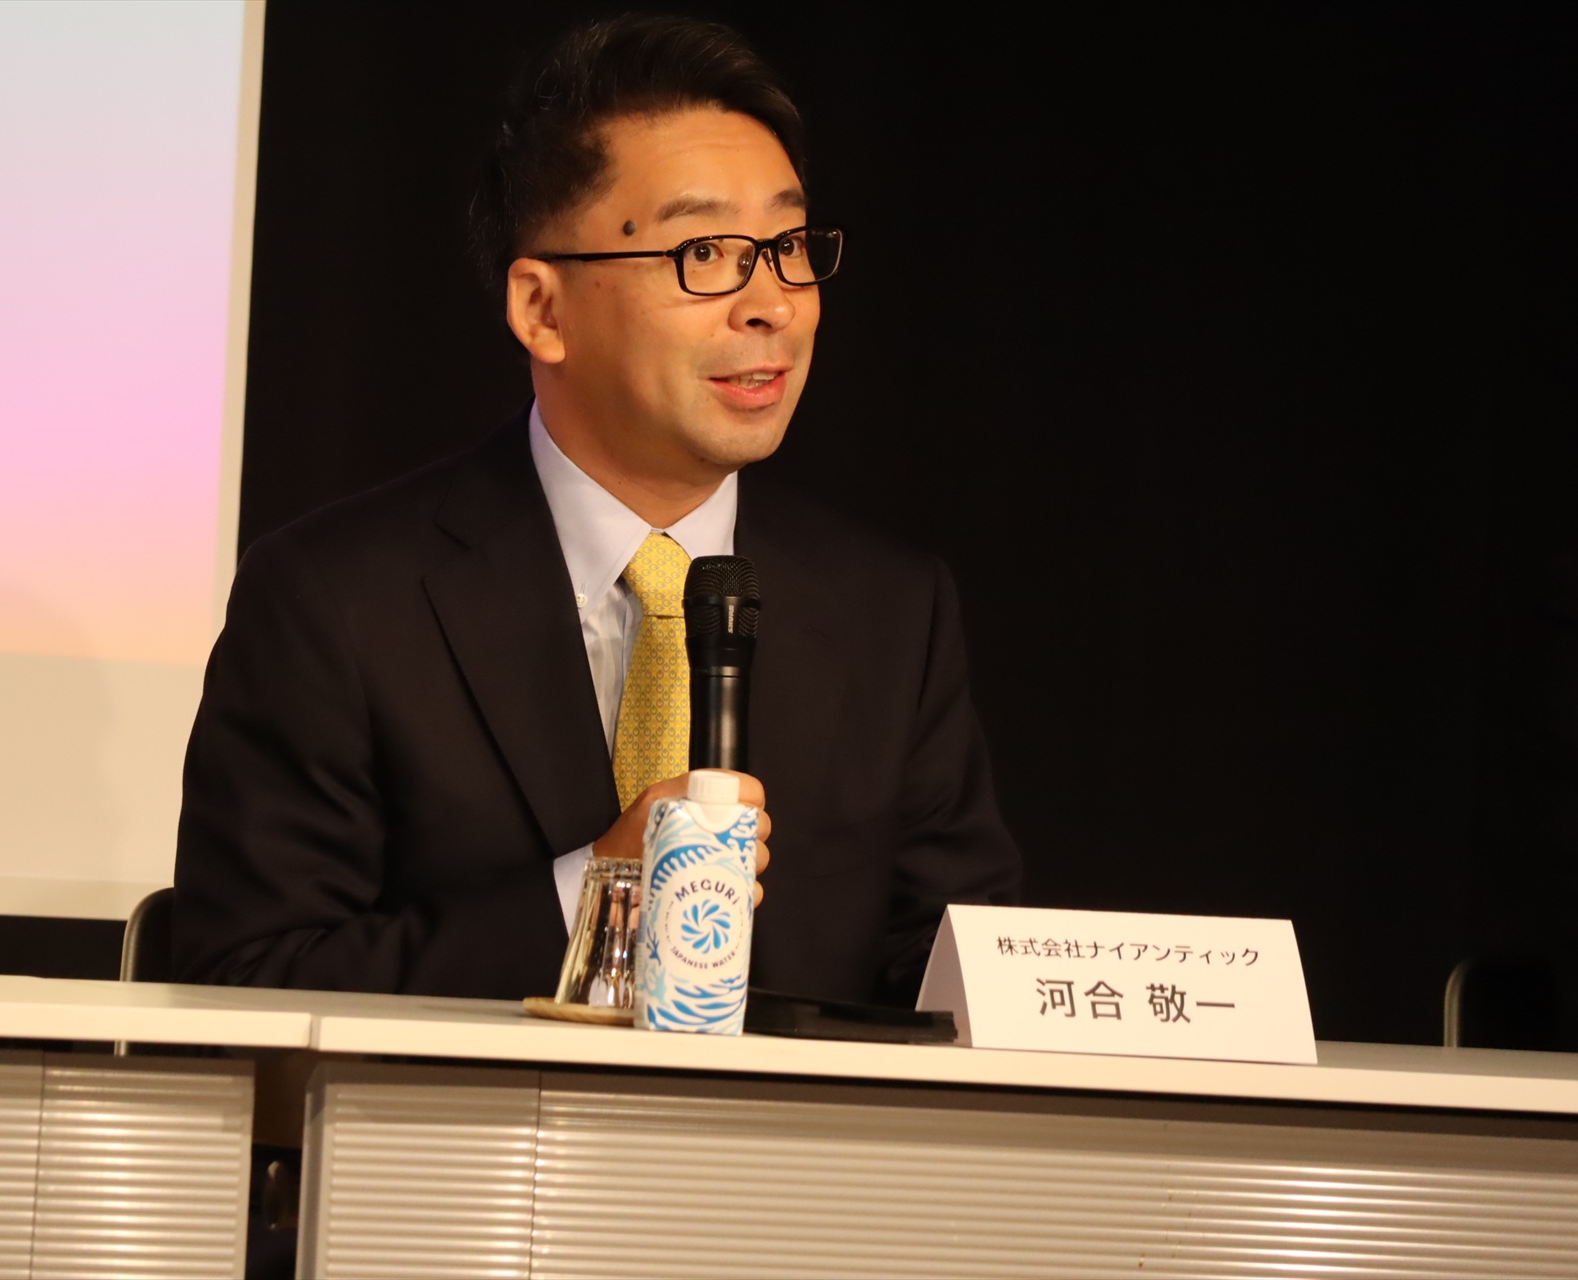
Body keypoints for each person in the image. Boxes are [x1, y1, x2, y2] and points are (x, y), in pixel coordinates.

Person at [172, 14, 1020, 1008]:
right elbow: (244, 983)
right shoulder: (337, 602)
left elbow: (955, 983)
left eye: (787, 245)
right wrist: (603, 893)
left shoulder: (890, 611)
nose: (773, 303)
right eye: (706, 251)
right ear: (543, 309)